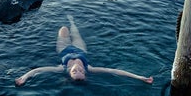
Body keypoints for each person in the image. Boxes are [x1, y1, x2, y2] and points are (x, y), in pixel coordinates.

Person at [15, 15, 153, 86]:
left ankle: (69, 22)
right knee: (75, 32)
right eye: (81, 71)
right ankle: (73, 21)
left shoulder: (60, 68)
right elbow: (115, 71)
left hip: (64, 49)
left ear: (70, 72)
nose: (78, 69)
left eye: (75, 72)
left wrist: (24, 77)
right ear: (85, 73)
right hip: (80, 49)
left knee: (63, 29)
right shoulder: (90, 68)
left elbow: (37, 70)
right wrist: (139, 77)